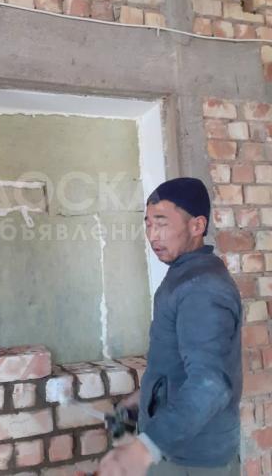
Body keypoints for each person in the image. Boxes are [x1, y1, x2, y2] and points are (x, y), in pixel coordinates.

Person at [96, 177, 242, 476]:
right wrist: (138, 403)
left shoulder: (201, 287)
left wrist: (144, 448)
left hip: (192, 460)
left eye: (162, 223)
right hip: (179, 451)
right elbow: (174, 367)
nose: (153, 235)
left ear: (197, 226)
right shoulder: (184, 276)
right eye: (148, 224)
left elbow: (210, 384)